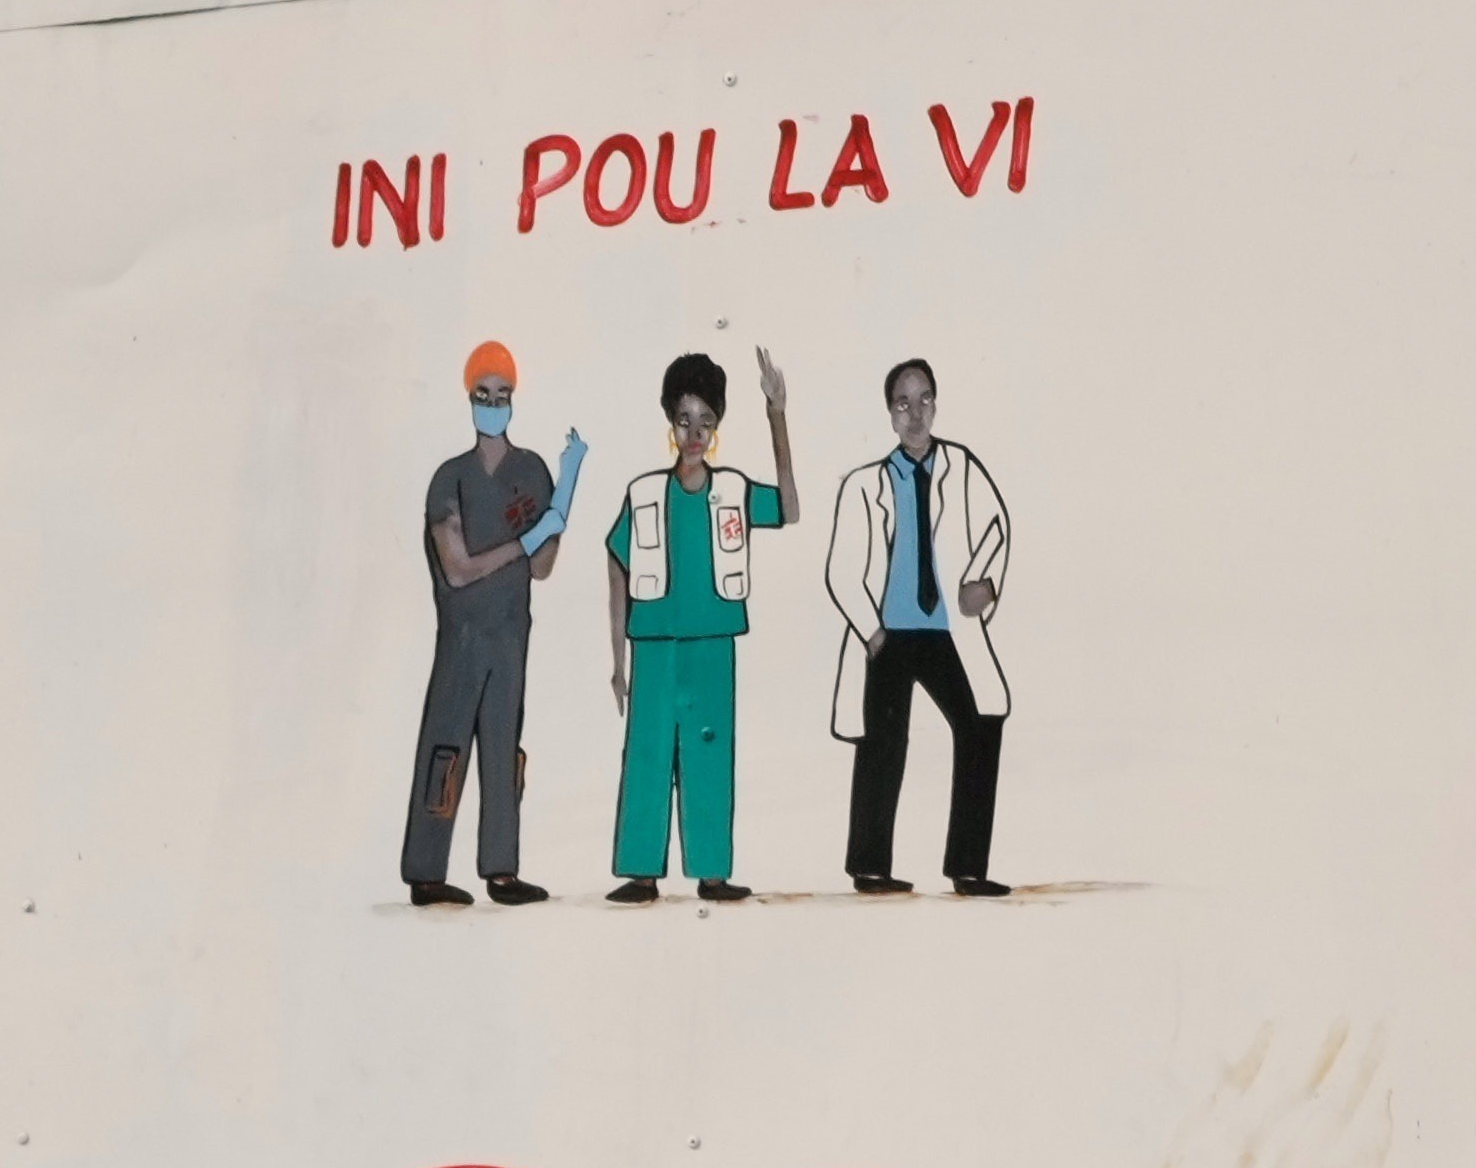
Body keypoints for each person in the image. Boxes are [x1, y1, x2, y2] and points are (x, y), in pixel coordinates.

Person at [605, 344, 796, 906]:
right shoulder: (644, 494)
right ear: (671, 420)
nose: (694, 433)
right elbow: (616, 564)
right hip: (655, 645)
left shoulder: (732, 489)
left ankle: (712, 871)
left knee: (710, 755)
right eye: (685, 420)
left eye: (705, 422)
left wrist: (776, 414)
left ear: (717, 427)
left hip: (713, 644)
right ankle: (641, 871)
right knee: (647, 755)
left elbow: (789, 506)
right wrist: (616, 659)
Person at [826, 354, 1017, 897]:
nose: (915, 413)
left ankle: (968, 867)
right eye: (903, 403)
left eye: (924, 399)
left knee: (981, 722)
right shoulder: (866, 483)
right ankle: (869, 867)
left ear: (936, 404)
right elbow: (841, 571)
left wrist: (988, 583)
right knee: (883, 743)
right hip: (886, 634)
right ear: (890, 413)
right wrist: (872, 631)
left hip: (943, 632)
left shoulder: (961, 468)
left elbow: (998, 526)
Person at [399, 346, 581, 911]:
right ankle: (426, 872)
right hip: (461, 641)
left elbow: (544, 568)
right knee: (445, 747)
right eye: (485, 396)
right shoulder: (448, 478)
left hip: (510, 639)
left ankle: (502, 871)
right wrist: (526, 541)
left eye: (503, 396)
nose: (494, 406)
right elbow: (456, 568)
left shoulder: (531, 472)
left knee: (504, 753)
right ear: (469, 399)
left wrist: (562, 506)